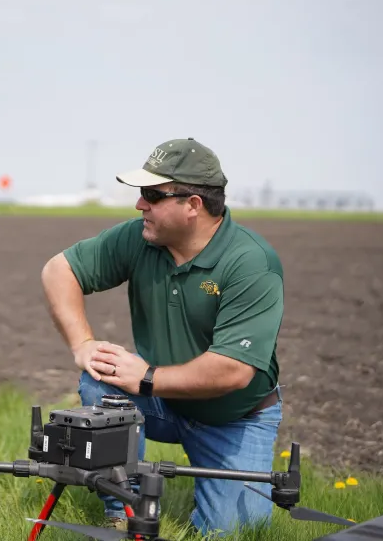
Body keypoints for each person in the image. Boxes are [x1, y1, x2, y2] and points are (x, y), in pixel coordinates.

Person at [41, 138, 284, 538]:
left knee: (237, 534)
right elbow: (58, 271)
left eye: (153, 195)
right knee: (99, 376)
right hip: (162, 404)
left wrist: (148, 377)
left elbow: (235, 371)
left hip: (234, 417)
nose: (140, 205)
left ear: (193, 205)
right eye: (141, 194)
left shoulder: (251, 262)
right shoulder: (139, 237)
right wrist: (83, 344)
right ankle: (125, 507)